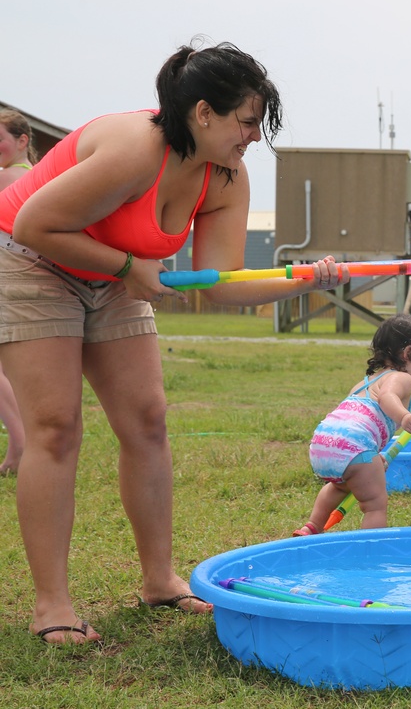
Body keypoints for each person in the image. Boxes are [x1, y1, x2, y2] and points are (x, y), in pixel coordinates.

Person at [0, 41, 351, 645]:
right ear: (203, 113)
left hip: (110, 270)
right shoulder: (137, 148)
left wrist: (303, 281)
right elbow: (34, 223)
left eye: (259, 123)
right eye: (247, 121)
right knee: (55, 426)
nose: (252, 136)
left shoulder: (226, 175)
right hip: (31, 259)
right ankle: (51, 605)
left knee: (148, 419)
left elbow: (223, 284)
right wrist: (128, 266)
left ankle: (159, 579)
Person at [294, 314, 411, 535]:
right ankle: (370, 550)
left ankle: (312, 526)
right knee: (375, 504)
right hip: (354, 446)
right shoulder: (401, 378)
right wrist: (404, 417)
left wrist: (373, 458)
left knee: (339, 486)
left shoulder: (364, 382)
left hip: (324, 443)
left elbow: (360, 421)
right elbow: (387, 398)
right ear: (408, 353)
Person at [0, 108, 35, 475]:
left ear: (22, 140)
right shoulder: (32, 175)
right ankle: (17, 445)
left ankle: (22, 440)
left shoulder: (8, 177)